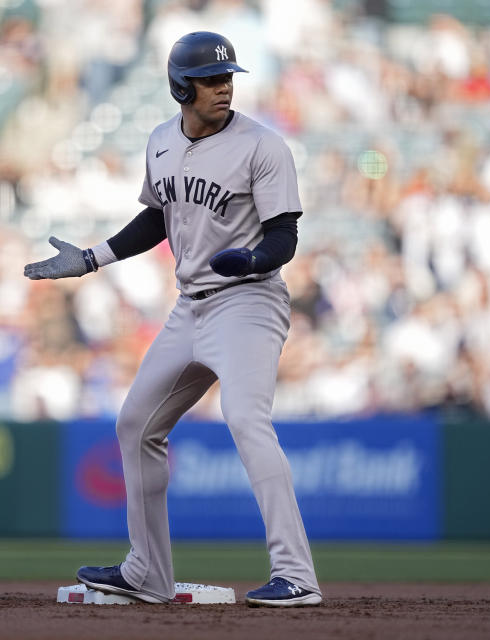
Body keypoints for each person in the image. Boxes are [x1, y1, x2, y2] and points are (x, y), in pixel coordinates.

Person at [24, 31, 322, 607]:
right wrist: (90, 259)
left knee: (245, 418)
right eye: (212, 80)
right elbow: (156, 219)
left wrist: (256, 258)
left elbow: (284, 234)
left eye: (228, 77)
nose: (224, 87)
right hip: (190, 306)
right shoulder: (161, 140)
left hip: (249, 301)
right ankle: (148, 574)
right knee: (135, 424)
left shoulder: (263, 146)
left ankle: (297, 576)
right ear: (180, 87)